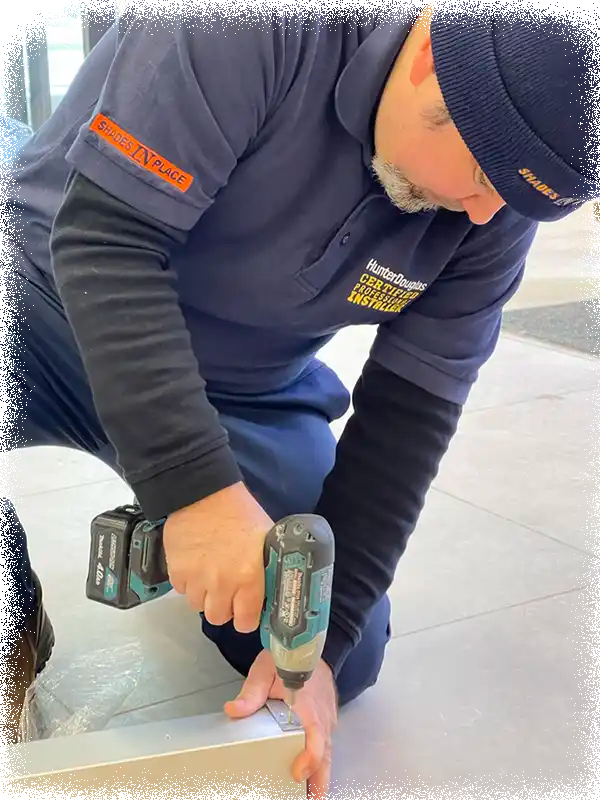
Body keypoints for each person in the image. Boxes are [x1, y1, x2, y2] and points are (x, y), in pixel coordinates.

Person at [1, 4, 597, 795]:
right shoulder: (250, 28)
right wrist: (198, 491)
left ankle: (167, 507)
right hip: (44, 294)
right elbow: (106, 244)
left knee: (320, 642)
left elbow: (412, 409)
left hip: (245, 389)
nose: (486, 214)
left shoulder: (493, 216)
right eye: (486, 174)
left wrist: (329, 638)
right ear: (426, 62)